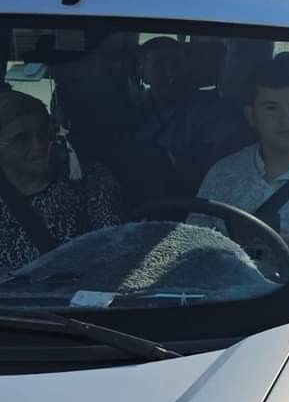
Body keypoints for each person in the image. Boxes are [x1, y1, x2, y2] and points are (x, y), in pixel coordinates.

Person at [196, 56, 289, 261]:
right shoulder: (223, 174)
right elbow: (192, 246)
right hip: (228, 289)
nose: (286, 118)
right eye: (271, 108)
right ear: (251, 116)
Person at [0, 90, 122, 272]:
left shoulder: (91, 181)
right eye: (21, 139)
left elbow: (114, 252)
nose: (39, 145)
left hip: (75, 297)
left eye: (44, 132)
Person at [133, 36, 242, 194]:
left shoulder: (214, 111)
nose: (170, 73)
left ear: (188, 68)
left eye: (177, 64)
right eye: (159, 65)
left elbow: (224, 170)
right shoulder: (132, 115)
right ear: (143, 73)